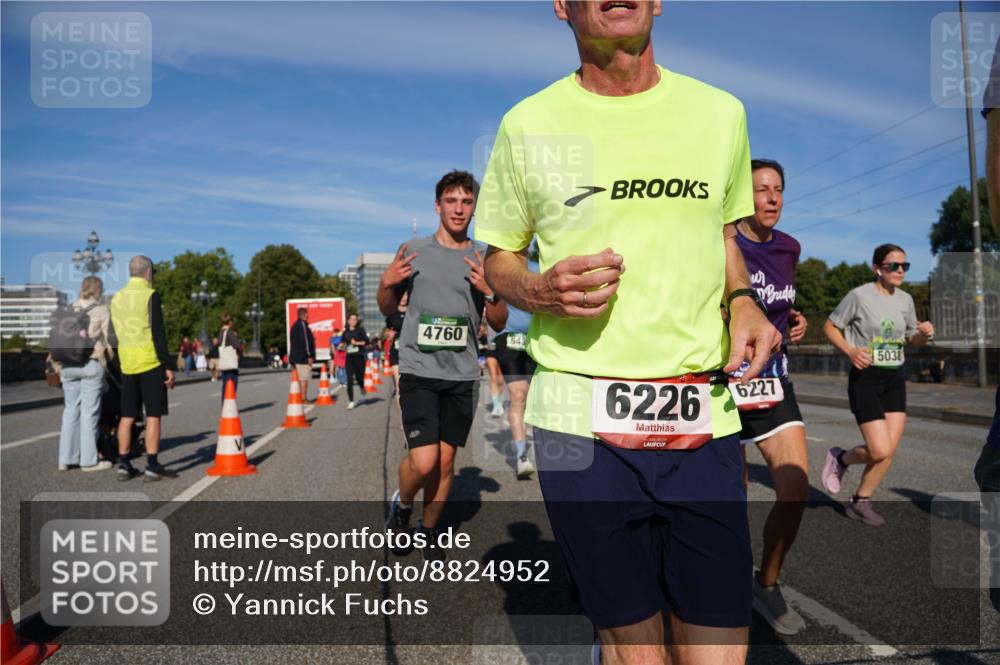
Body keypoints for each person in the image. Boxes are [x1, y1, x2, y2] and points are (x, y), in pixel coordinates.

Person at [474, 2, 781, 662]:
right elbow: (497, 256)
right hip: (578, 424)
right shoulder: (527, 124)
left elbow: (724, 235)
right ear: (562, 6)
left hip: (703, 416)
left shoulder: (721, 113)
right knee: (635, 652)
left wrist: (744, 301)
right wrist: (535, 288)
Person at [382, 170, 508, 560]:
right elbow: (389, 309)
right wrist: (386, 284)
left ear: (474, 208)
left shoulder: (485, 258)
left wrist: (490, 293)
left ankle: (430, 530)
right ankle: (403, 508)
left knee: (448, 459)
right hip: (419, 370)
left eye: (466, 202)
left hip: (462, 373)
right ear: (438, 206)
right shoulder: (412, 250)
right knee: (425, 460)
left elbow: (500, 321)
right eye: (451, 201)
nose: (459, 209)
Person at [731, 159, 810, 634]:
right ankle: (722, 582)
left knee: (795, 490)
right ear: (743, 196)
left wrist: (792, 318)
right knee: (728, 500)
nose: (773, 198)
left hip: (774, 380)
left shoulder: (789, 247)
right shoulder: (723, 243)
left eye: (778, 188)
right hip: (722, 384)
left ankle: (768, 582)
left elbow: (777, 300)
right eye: (761, 189)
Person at [821, 244, 934, 525]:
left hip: (895, 377)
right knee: (879, 449)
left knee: (889, 451)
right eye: (892, 266)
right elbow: (829, 326)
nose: (899, 271)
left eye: (904, 266)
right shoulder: (859, 296)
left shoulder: (906, 300)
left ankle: (860, 501)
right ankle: (841, 459)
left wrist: (924, 334)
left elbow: (912, 340)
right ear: (876, 269)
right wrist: (850, 351)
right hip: (866, 378)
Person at [108, 255, 178, 481]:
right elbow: (158, 333)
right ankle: (152, 465)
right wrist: (168, 365)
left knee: (127, 416)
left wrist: (120, 362)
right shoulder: (150, 295)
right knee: (153, 416)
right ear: (148, 272)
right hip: (150, 362)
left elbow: (112, 336)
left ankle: (124, 463)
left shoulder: (116, 297)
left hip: (127, 364)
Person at [54, 276, 113, 472]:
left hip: (67, 365)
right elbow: (108, 341)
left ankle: (65, 459)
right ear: (99, 290)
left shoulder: (70, 308)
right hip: (89, 364)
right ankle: (88, 461)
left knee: (70, 411)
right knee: (89, 413)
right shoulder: (101, 310)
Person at [493, 257, 540, 480]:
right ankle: (522, 457)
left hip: (534, 339)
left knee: (532, 396)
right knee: (518, 394)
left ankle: (526, 430)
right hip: (508, 339)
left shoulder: (539, 267)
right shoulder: (500, 266)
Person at [342, 313, 369, 409]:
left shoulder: (360, 330)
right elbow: (342, 343)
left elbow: (367, 342)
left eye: (355, 319)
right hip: (349, 358)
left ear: (357, 321)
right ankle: (351, 401)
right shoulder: (345, 332)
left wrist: (357, 343)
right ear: (348, 321)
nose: (353, 321)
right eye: (351, 319)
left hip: (359, 357)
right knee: (349, 380)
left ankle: (362, 386)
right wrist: (341, 346)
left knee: (359, 378)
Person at [288, 306, 315, 400]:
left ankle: (297, 398)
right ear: (304, 315)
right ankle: (303, 398)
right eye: (306, 314)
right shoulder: (302, 325)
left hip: (295, 357)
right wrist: (309, 355)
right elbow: (306, 342)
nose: (308, 316)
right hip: (302, 358)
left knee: (298, 379)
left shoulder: (294, 326)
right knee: (304, 379)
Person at [385, 292, 407, 395]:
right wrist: (389, 333)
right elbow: (386, 331)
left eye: (406, 295)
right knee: (399, 386)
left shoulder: (413, 313)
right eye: (401, 295)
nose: (403, 298)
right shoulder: (391, 316)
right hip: (396, 352)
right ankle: (402, 411)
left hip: (411, 353)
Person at [218, 314, 243, 402]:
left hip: (224, 362)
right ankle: (229, 403)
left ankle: (224, 403)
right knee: (232, 383)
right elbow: (237, 345)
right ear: (230, 322)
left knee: (225, 383)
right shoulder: (230, 332)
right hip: (231, 363)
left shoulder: (221, 332)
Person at [484, 323, 505, 416]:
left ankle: (499, 402)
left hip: (502, 348)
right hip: (490, 348)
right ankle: (496, 406)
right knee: (493, 376)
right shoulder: (488, 315)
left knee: (500, 379)